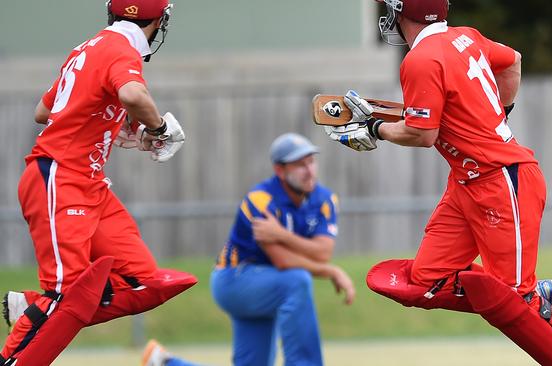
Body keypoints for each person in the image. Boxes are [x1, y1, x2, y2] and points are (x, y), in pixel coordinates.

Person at [324, 1, 552, 365]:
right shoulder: (465, 37)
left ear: (399, 11)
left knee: (516, 304)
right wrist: (497, 115)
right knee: (422, 283)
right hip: (467, 182)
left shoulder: (420, 59)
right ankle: (528, 296)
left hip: (502, 180)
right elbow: (513, 60)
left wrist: (376, 129)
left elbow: (423, 134)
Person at [0, 1, 197, 364]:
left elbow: (45, 111)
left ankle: (35, 307)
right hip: (61, 177)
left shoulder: (90, 47)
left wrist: (116, 121)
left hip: (87, 183)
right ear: (160, 20)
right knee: (68, 295)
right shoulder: (122, 48)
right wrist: (159, 129)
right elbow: (133, 94)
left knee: (151, 283)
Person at [212, 133, 355, 366]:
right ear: (280, 171)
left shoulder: (326, 199)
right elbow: (283, 261)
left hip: (270, 282)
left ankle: (165, 362)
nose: (309, 170)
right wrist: (330, 271)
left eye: (311, 161)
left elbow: (323, 252)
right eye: (300, 164)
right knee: (297, 281)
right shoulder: (261, 200)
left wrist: (282, 235)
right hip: (234, 280)